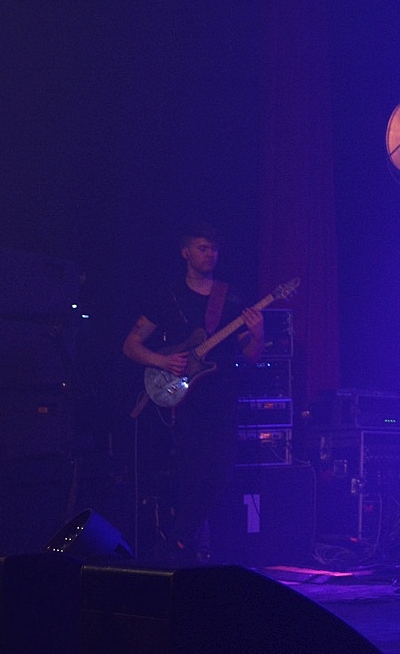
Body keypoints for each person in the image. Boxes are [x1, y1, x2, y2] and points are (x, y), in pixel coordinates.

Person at [123, 224, 264, 562]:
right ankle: (183, 549)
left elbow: (251, 355)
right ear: (185, 252)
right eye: (203, 248)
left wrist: (258, 334)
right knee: (192, 476)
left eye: (214, 248)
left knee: (221, 475)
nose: (210, 254)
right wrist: (163, 361)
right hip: (187, 400)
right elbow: (130, 345)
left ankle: (178, 543)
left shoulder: (232, 298)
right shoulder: (168, 297)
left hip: (223, 397)